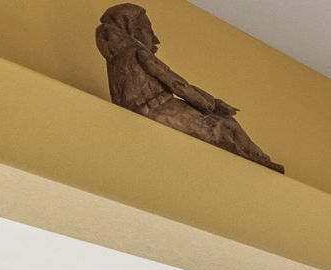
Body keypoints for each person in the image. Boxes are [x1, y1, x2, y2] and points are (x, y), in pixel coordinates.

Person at [95, 4, 284, 173]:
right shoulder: (139, 53)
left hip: (150, 110)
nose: (155, 39)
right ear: (132, 29)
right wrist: (212, 105)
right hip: (161, 109)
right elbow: (177, 84)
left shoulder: (114, 61)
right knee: (224, 124)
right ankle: (261, 163)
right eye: (147, 30)